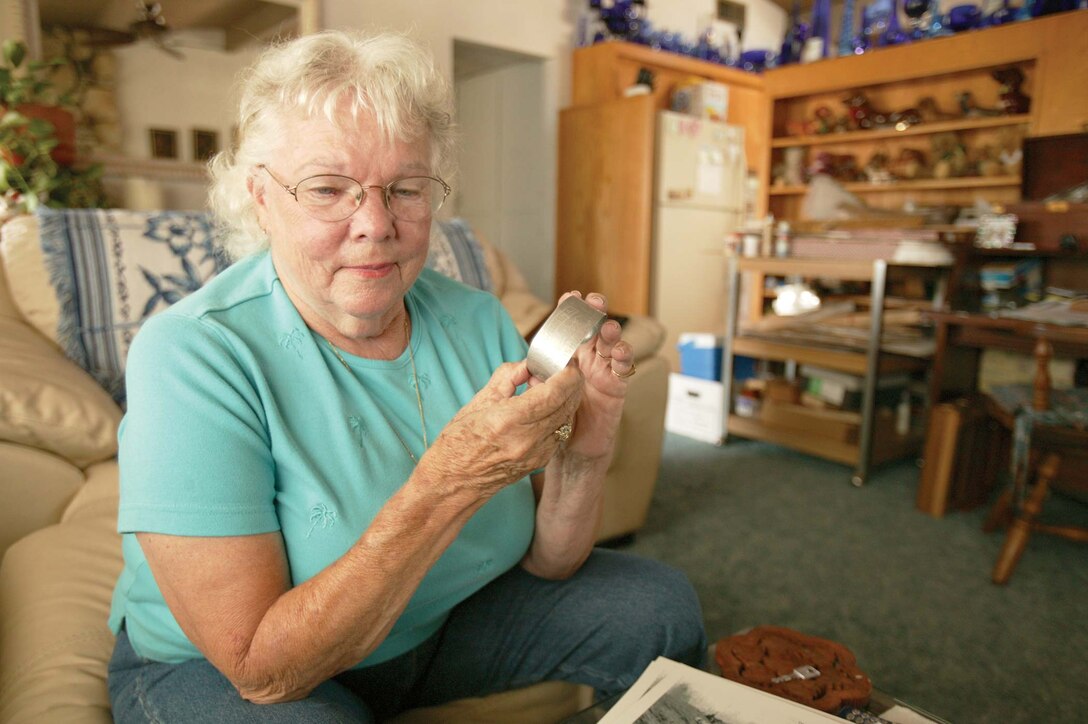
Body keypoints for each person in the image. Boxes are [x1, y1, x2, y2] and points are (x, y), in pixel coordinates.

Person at [107, 29, 705, 722]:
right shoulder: (191, 353)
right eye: (329, 188)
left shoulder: (477, 320)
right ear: (261, 199)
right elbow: (261, 668)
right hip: (221, 670)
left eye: (405, 189)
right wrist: (452, 479)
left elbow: (550, 566)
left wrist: (585, 452)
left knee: (657, 606)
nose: (375, 222)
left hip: (436, 627)